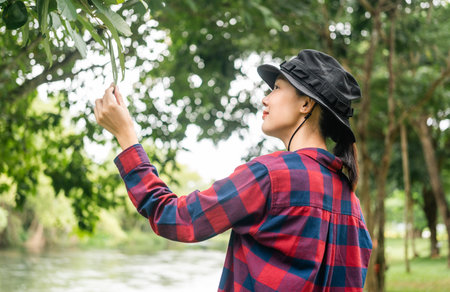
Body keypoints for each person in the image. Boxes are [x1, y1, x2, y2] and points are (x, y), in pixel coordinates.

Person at [94, 49, 372, 291]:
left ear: (305, 104)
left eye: (276, 88)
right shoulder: (352, 206)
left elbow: (175, 218)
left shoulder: (270, 175)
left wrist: (127, 136)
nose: (266, 99)